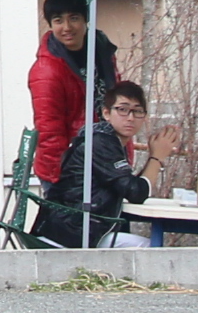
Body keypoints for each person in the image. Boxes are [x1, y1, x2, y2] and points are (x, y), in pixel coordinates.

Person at [39, 79, 157, 248]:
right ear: (106, 113)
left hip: (73, 229)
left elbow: (129, 186)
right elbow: (136, 193)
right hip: (72, 234)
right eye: (122, 110)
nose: (130, 118)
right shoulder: (101, 143)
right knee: (151, 249)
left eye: (137, 111)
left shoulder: (106, 140)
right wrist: (157, 157)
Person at [29, 0, 118, 194]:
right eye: (58, 20)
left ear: (86, 19)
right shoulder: (47, 70)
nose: (67, 27)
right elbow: (50, 132)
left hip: (102, 161)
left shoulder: (102, 51)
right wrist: (64, 180)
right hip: (68, 172)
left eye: (74, 18)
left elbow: (116, 104)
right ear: (50, 24)